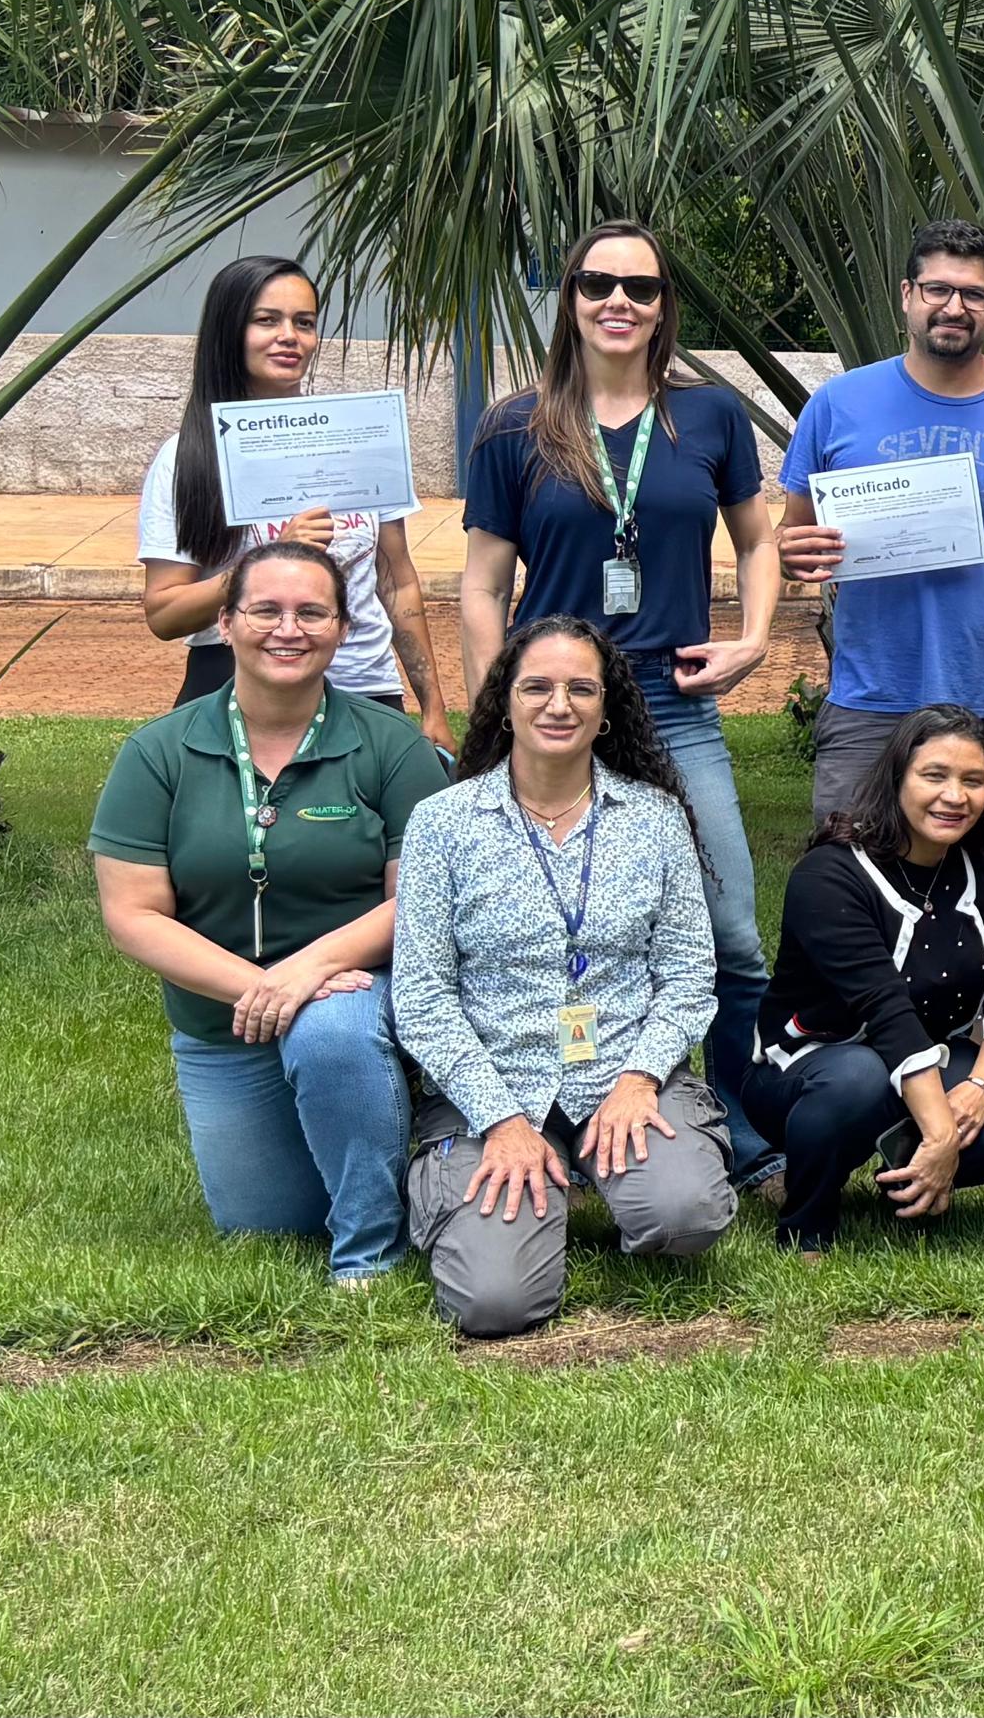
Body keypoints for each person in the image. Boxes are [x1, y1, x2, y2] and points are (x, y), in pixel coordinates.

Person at [459, 219, 783, 1181]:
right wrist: (499, 705)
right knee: (537, 924)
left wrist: (756, 638)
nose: (618, 303)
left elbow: (758, 542)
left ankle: (744, 1132)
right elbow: (481, 586)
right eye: (598, 283)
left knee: (731, 935)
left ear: (662, 306)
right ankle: (533, 1109)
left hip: (672, 704)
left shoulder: (711, 418)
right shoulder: (516, 427)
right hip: (553, 706)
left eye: (640, 289)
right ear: (569, 297)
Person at [90, 541, 451, 1286]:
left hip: (350, 997)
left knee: (330, 1035)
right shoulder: (158, 753)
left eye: (312, 612)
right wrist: (265, 988)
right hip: (222, 1023)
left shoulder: (390, 748)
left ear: (343, 630)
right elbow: (134, 916)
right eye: (266, 610)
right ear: (225, 623)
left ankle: (369, 1254)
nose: (288, 628)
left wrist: (309, 972)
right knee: (266, 1223)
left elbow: (417, 902)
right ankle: (391, 1145)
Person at [389, 618, 732, 1336]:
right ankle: (527, 1188)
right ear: (505, 703)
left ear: (607, 711)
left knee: (685, 1216)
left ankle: (600, 1171)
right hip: (493, 1081)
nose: (559, 705)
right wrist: (502, 1122)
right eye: (537, 687)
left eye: (582, 689)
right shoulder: (442, 824)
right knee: (495, 1304)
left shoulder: (654, 818)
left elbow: (688, 973)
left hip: (621, 1072)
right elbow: (421, 997)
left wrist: (641, 1079)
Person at [775, 218, 984, 862]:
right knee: (849, 887)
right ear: (907, 295)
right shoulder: (837, 404)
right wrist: (791, 551)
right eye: (938, 289)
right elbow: (791, 533)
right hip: (871, 700)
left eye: (974, 295)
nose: (954, 307)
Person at [752, 708, 984, 1253]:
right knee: (858, 1078)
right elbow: (884, 1009)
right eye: (934, 775)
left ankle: (905, 1184)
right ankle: (806, 1223)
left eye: (972, 781)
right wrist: (940, 1134)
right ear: (897, 777)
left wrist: (980, 1087)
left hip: (926, 1052)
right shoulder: (831, 873)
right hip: (811, 1062)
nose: (954, 796)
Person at [135, 255, 445, 740]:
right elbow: (164, 613)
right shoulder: (189, 457)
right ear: (228, 331)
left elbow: (396, 581)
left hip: (363, 691)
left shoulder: (361, 439)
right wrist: (264, 563)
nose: (289, 337)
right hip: (237, 696)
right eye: (266, 320)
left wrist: (432, 708)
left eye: (304, 323)